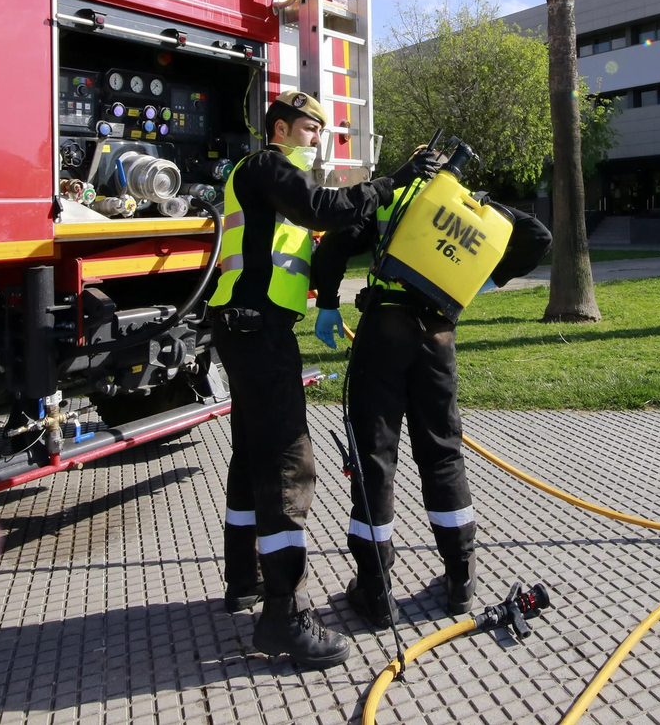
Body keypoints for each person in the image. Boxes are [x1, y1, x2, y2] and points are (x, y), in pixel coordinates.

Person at [207, 91, 439, 668]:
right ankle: (284, 615)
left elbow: (329, 220)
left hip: (250, 327)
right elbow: (326, 209)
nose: (320, 140)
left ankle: (245, 578)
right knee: (288, 461)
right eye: (313, 130)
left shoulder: (268, 179)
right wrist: (390, 183)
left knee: (252, 454)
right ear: (281, 127)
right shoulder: (267, 165)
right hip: (258, 332)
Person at [310, 173, 551, 629]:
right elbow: (538, 236)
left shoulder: (394, 196)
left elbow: (332, 247)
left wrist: (326, 302)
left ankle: (375, 590)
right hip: (437, 336)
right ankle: (460, 579)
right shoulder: (472, 205)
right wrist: (483, 281)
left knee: (374, 458)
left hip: (383, 328)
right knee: (443, 453)